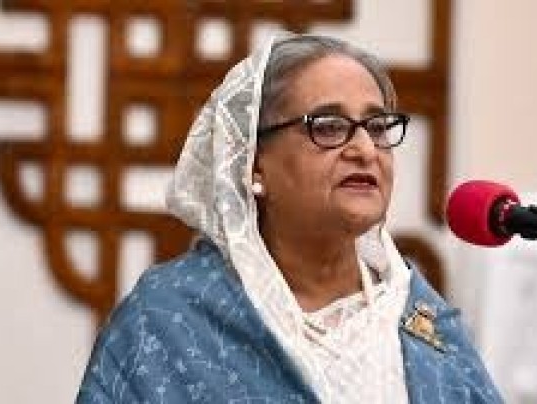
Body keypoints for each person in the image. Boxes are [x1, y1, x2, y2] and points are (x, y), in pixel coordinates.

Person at [77, 33, 502, 403]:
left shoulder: (424, 322)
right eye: (329, 126)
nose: (365, 150)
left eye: (377, 127)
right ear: (253, 163)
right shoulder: (168, 319)